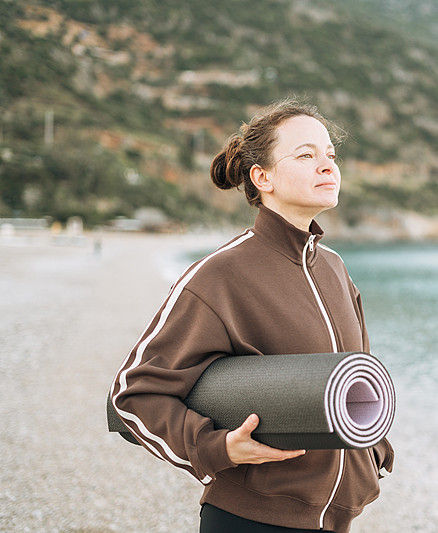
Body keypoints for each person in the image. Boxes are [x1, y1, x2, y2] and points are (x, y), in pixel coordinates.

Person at [110, 98, 393, 533]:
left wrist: (374, 450)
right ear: (263, 177)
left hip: (338, 520)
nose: (327, 166)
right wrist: (216, 447)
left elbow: (357, 378)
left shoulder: (335, 269)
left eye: (331, 155)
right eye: (306, 156)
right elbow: (132, 395)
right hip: (250, 519)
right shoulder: (220, 275)